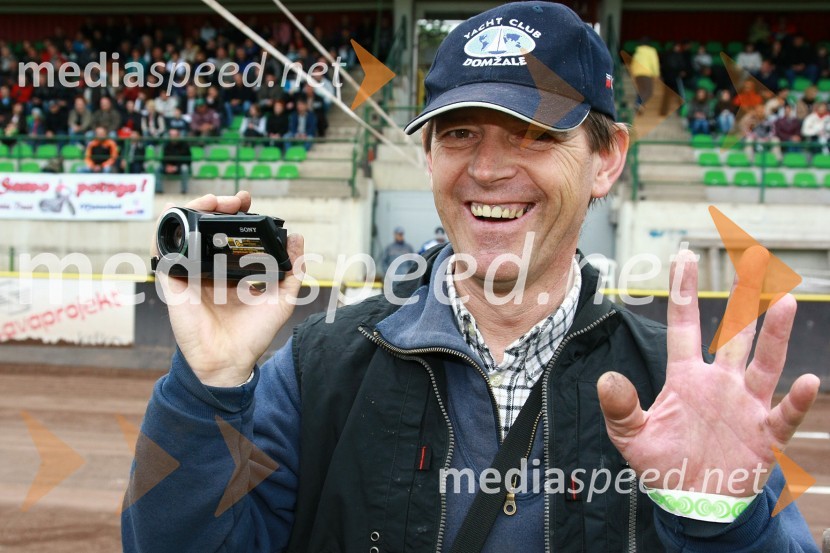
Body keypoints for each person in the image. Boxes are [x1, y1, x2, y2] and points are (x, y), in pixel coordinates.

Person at [123, 3, 821, 553]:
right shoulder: (316, 371)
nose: (487, 169)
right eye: (459, 133)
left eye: (534, 134)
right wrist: (205, 385)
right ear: (427, 155)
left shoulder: (682, 392)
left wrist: (719, 515)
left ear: (606, 160)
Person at [156, 128, 191, 193]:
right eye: (171, 135)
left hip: (179, 166)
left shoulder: (185, 145)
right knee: (157, 168)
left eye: (175, 135)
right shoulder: (166, 145)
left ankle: (184, 191)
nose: (173, 137)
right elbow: (164, 158)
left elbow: (187, 160)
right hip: (168, 167)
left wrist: (176, 167)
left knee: (185, 168)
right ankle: (158, 190)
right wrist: (167, 166)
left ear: (178, 136)